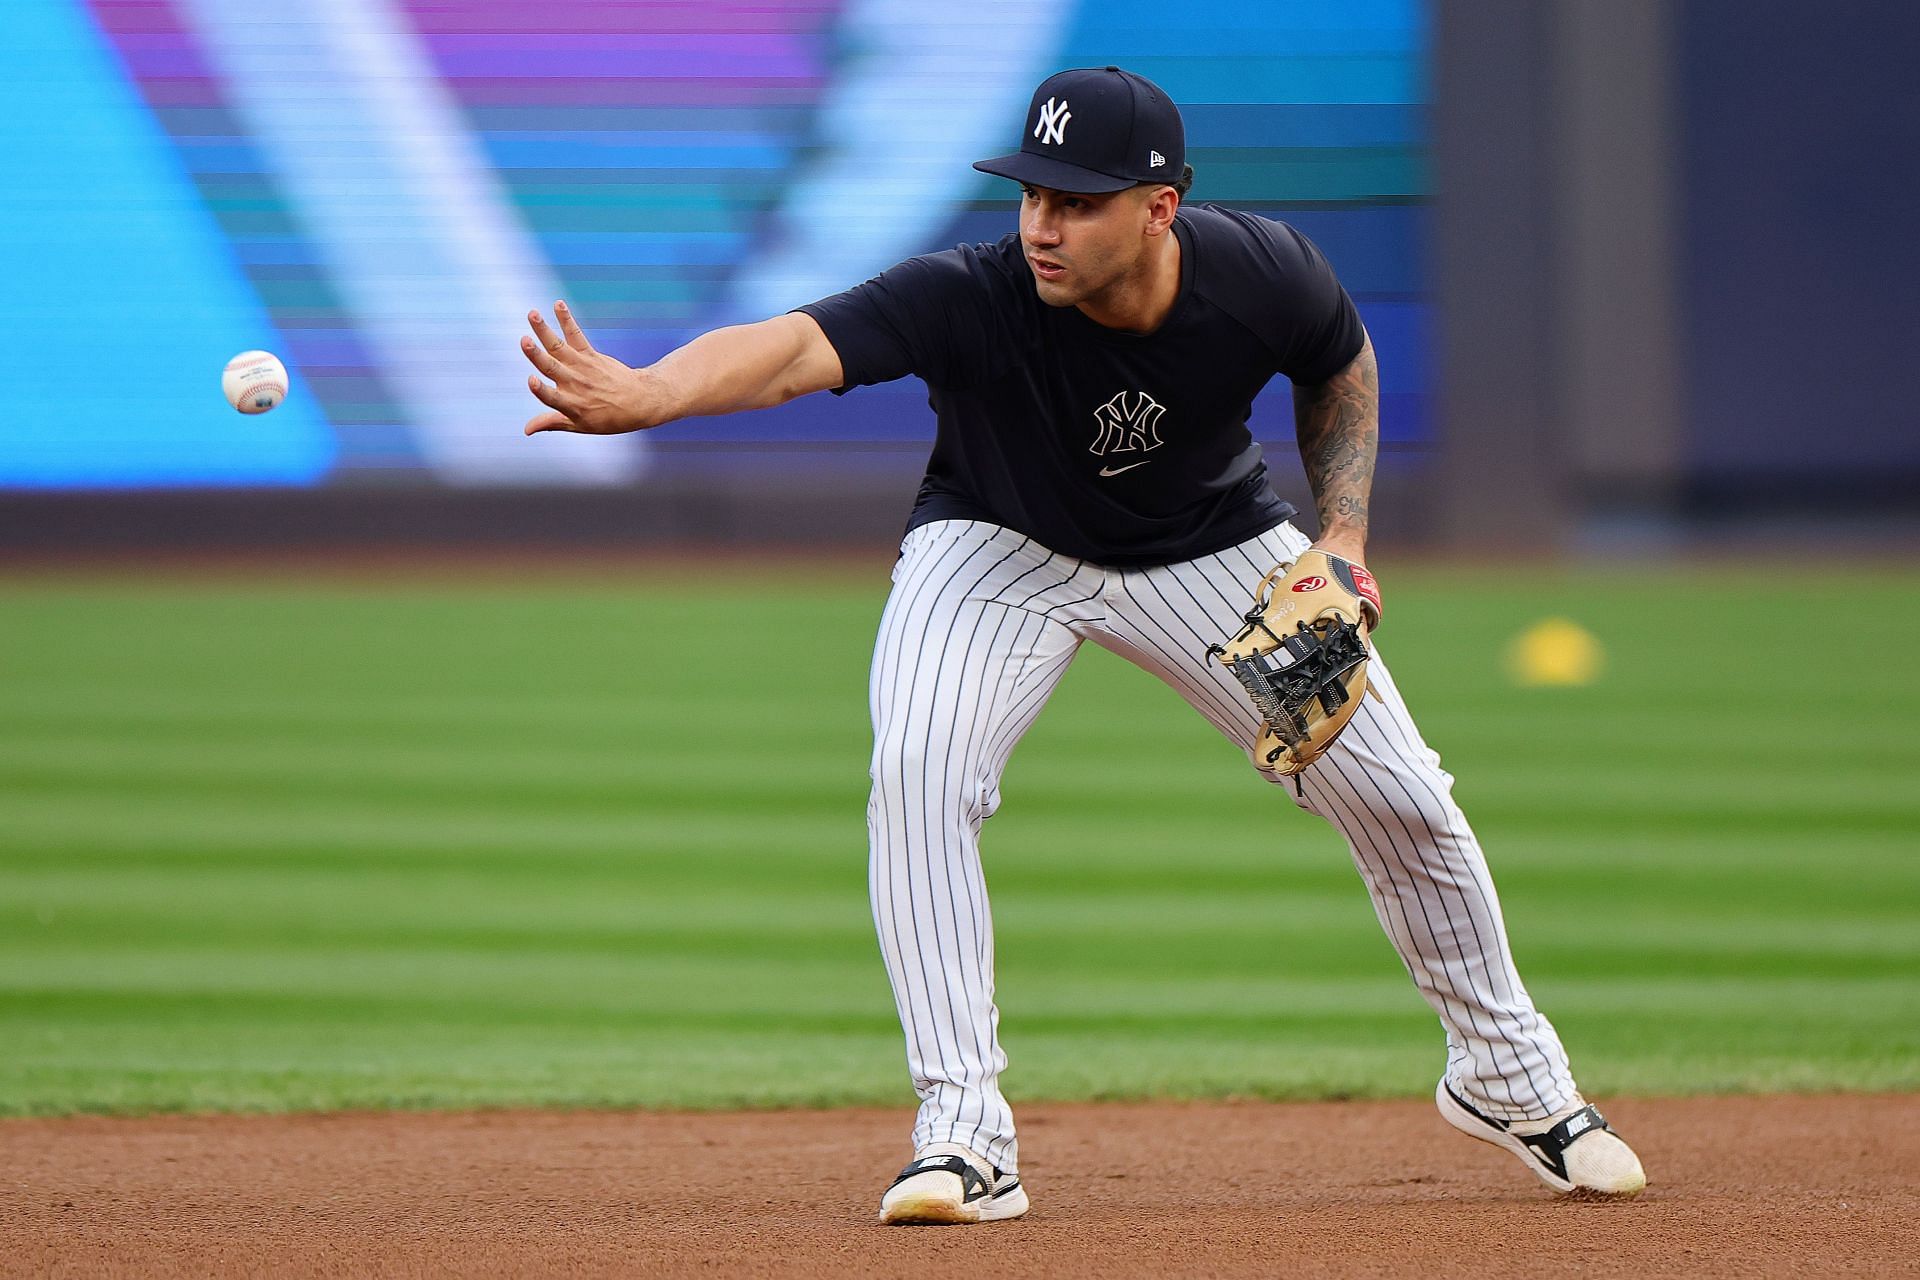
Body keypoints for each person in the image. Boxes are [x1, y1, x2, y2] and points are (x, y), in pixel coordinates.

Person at [517, 65, 1648, 1223]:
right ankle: (964, 1133)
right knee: (918, 771)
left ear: (1160, 208)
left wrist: (1344, 538)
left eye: (1076, 200)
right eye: (1030, 194)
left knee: (1401, 795)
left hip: (1212, 544)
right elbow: (797, 345)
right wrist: (654, 387)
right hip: (994, 548)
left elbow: (1337, 362)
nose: (1041, 225)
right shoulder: (974, 293)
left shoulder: (1262, 272)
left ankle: (1509, 1074)